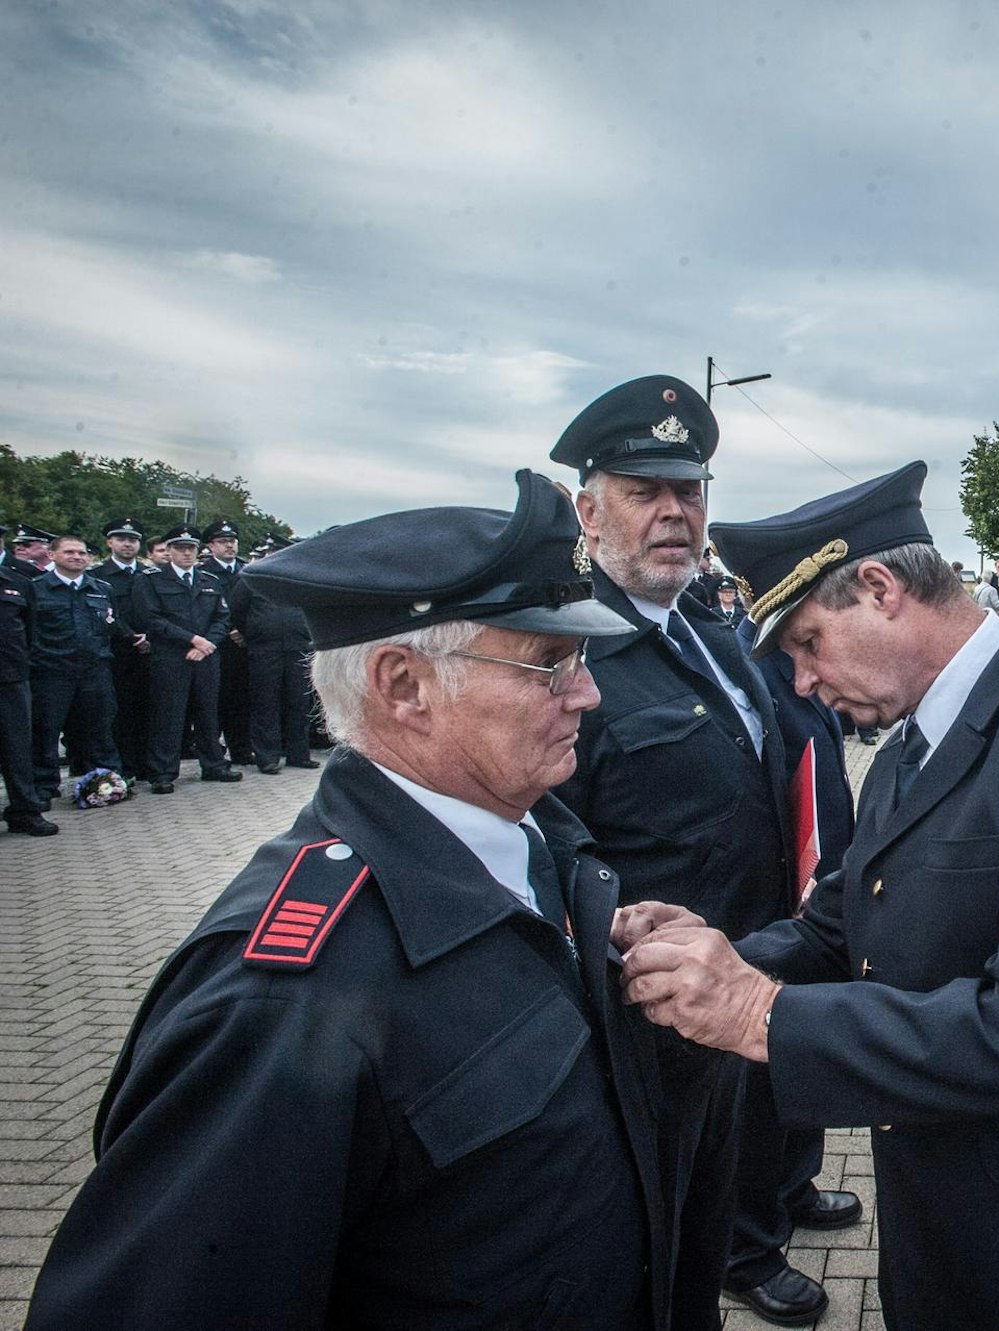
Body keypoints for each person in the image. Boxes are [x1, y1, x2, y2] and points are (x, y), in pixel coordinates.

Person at [23, 471, 683, 1330]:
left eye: (581, 660)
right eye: (550, 663)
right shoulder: (282, 1002)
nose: (588, 692)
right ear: (403, 685)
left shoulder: (537, 844)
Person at [627, 461, 999, 1331]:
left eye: (807, 643)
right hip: (939, 1220)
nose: (801, 682)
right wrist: (703, 965)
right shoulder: (908, 745)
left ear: (880, 589)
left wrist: (761, 1015)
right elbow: (839, 928)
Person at [549, 374, 854, 1328]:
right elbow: (554, 838)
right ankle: (742, 1252)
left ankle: (782, 1196)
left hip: (763, 936)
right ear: (589, 513)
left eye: (688, 491)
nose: (675, 513)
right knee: (695, 1160)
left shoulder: (715, 633)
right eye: (645, 492)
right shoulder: (573, 656)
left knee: (766, 1102)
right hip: (661, 988)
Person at [129, 525, 239, 792]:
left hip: (206, 657)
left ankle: (213, 765)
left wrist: (206, 644)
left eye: (191, 548)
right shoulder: (151, 579)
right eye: (180, 548)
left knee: (208, 713)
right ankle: (163, 772)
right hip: (171, 657)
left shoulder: (208, 580)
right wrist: (192, 640)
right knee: (169, 715)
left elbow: (222, 618)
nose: (187, 553)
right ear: (169, 550)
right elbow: (151, 619)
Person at [27, 535, 126, 804]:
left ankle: (106, 784)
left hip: (95, 671)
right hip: (52, 672)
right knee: (46, 732)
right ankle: (43, 787)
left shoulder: (101, 589)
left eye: (82, 553)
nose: (77, 557)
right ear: (52, 555)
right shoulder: (36, 588)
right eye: (69, 552)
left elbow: (112, 626)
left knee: (100, 729)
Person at [229, 536, 317, 775]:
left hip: (298, 647)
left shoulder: (301, 578)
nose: (273, 556)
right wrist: (254, 632)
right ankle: (267, 756)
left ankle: (299, 754)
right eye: (270, 552)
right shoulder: (252, 578)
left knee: (299, 702)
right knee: (265, 702)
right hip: (265, 648)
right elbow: (237, 610)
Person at [89, 518, 153, 783]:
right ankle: (122, 765)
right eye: (121, 539)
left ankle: (145, 763)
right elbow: (106, 613)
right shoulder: (98, 574)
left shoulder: (150, 573)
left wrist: (151, 635)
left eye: (133, 540)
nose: (128, 544)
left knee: (148, 708)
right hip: (118, 650)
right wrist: (131, 636)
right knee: (120, 710)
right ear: (109, 542)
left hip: (151, 649)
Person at [1, 562, 53, 834]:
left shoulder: (17, 582)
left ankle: (25, 811)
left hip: (10, 678)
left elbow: (30, 631)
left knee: (17, 748)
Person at [199, 519, 255, 767]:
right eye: (223, 542)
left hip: (244, 644)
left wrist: (243, 631)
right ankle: (214, 751)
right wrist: (230, 629)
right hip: (217, 644)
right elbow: (207, 609)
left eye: (232, 541)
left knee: (241, 699)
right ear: (211, 546)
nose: (229, 546)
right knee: (215, 701)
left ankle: (241, 750)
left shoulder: (246, 570)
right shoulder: (205, 572)